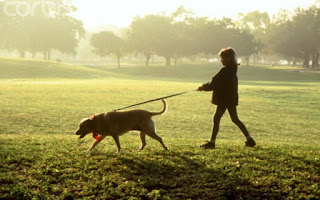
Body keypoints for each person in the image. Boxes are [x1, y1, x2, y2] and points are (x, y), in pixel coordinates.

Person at [197, 47, 256, 149]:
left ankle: (212, 143)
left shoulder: (225, 71)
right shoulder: (232, 70)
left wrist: (202, 87)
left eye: (222, 58)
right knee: (235, 119)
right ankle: (250, 139)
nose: (221, 60)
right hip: (230, 98)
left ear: (228, 59)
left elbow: (213, 84)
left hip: (224, 99)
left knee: (217, 118)